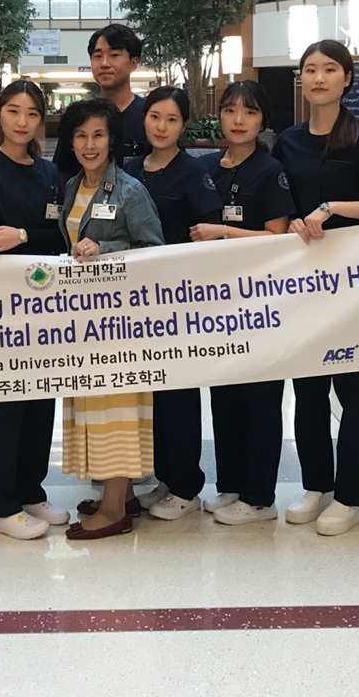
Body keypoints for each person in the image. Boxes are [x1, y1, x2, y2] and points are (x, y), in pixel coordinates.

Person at [276, 41, 359, 536]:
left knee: (352, 391)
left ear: (347, 78)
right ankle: (316, 485)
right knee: (307, 390)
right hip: (302, 282)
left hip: (350, 282)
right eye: (310, 70)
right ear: (301, 80)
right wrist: (289, 223)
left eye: (329, 69)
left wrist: (332, 208)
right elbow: (281, 205)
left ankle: (351, 496)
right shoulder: (287, 140)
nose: (319, 78)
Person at [0, 79, 72, 540]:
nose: (22, 122)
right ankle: (2, 506)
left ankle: (31, 491)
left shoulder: (50, 173)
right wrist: (30, 239)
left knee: (41, 400)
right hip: (1, 306)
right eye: (13, 111)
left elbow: (60, 236)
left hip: (45, 304)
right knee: (5, 404)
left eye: (32, 114)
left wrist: (21, 235)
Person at [57, 98, 165, 539]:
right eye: (81, 135)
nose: (89, 144)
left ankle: (114, 511)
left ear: (112, 140)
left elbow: (154, 250)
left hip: (120, 322)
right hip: (84, 321)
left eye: (98, 135)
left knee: (116, 410)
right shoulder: (72, 186)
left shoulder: (130, 191)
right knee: (96, 408)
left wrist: (106, 249)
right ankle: (123, 495)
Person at [190, 80, 294, 525]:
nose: (238, 120)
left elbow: (277, 236)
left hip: (260, 302)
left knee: (261, 400)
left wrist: (223, 232)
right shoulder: (206, 167)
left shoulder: (271, 171)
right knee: (225, 395)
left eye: (249, 112)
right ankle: (230, 485)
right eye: (230, 110)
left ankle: (259, 498)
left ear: (262, 120)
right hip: (218, 303)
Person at [122, 86, 222, 521]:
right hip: (133, 303)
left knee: (179, 393)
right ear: (144, 119)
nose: (161, 127)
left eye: (172, 119)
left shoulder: (193, 172)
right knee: (152, 395)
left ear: (184, 125)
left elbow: (209, 231)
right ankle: (164, 477)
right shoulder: (128, 169)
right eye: (155, 117)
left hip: (176, 301)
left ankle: (186, 486)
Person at [53, 23, 150, 178]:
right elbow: (62, 173)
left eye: (114, 55)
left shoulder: (150, 116)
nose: (104, 64)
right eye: (97, 56)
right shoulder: (79, 117)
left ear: (133, 63)